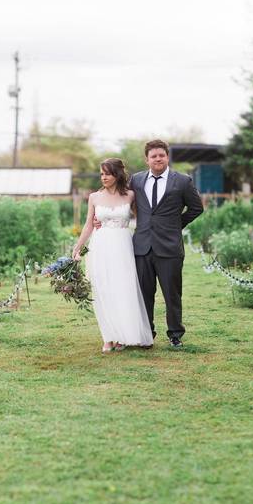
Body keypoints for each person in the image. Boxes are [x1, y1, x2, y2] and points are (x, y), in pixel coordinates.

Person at [72, 158, 153, 352]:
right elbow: (89, 224)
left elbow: (144, 218)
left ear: (117, 175)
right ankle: (108, 336)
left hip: (123, 245)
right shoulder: (94, 197)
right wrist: (77, 247)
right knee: (103, 289)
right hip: (100, 246)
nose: (103, 177)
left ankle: (123, 336)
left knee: (123, 288)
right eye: (101, 174)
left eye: (107, 173)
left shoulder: (131, 195)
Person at [128, 139, 203, 347]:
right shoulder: (136, 180)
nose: (158, 159)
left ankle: (175, 334)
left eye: (161, 155)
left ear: (167, 157)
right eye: (153, 156)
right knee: (144, 294)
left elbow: (197, 208)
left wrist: (175, 225)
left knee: (172, 293)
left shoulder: (182, 181)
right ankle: (146, 333)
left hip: (169, 247)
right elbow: (124, 200)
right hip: (142, 246)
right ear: (147, 160)